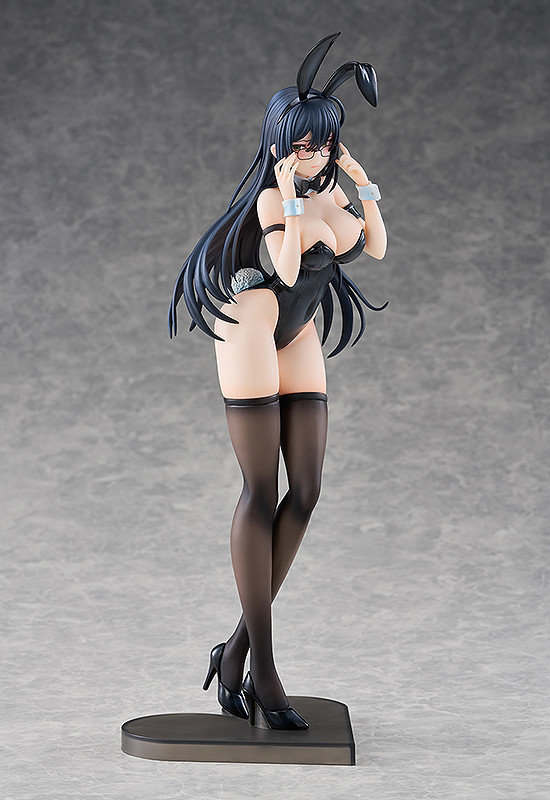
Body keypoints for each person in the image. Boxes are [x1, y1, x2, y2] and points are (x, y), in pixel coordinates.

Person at [168, 33, 387, 730]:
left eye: (323, 143)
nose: (312, 154)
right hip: (251, 323)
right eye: (301, 144)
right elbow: (289, 270)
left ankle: (233, 649)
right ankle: (262, 666)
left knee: (308, 490)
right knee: (261, 491)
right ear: (277, 145)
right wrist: (291, 196)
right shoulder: (274, 201)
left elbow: (377, 245)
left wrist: (360, 178)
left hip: (297, 333)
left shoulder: (335, 198)